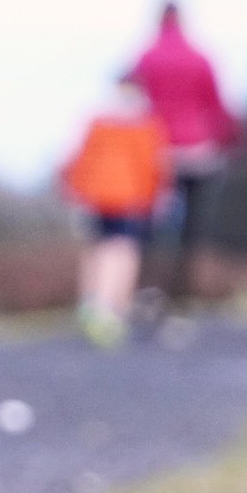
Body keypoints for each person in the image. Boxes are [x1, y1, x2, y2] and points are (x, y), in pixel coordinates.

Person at [132, 0, 244, 307]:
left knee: (149, 223)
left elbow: (133, 101)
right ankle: (181, 293)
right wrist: (233, 142)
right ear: (182, 20)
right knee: (191, 224)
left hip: (154, 152)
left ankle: (146, 289)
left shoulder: (145, 58)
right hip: (196, 150)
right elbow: (216, 104)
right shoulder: (200, 57)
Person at [60, 73, 171, 348]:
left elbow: (78, 159)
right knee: (122, 251)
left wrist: (75, 192)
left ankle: (89, 305)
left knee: (96, 249)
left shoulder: (98, 122)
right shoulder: (145, 125)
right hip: (130, 197)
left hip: (94, 196)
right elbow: (154, 165)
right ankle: (110, 311)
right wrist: (158, 197)